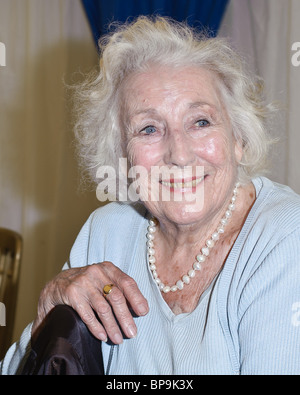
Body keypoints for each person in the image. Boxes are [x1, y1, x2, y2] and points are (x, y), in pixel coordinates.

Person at [1, 16, 300, 375]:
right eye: (149, 129)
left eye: (200, 121)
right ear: (122, 159)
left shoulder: (283, 237)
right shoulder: (107, 232)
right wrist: (45, 318)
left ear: (238, 139)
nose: (179, 154)